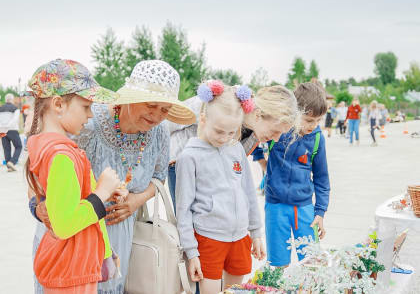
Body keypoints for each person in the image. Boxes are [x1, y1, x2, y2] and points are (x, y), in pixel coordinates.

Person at [30, 60, 196, 294]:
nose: (158, 116)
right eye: (151, 105)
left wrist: (135, 201)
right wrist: (37, 205)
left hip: (117, 242)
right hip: (71, 246)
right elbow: (41, 168)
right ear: (129, 99)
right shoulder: (86, 122)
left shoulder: (159, 134)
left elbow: (159, 178)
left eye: (165, 110)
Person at [25, 59, 125, 293]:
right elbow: (65, 225)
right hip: (71, 272)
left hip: (72, 267)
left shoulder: (55, 151)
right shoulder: (61, 156)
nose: (90, 115)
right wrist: (101, 193)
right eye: (85, 107)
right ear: (58, 104)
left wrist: (105, 252)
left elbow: (69, 205)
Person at [176, 82, 266, 294]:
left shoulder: (235, 150)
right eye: (219, 131)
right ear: (203, 119)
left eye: (231, 132)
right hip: (208, 240)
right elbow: (183, 209)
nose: (224, 138)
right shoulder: (189, 157)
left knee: (236, 291)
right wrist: (191, 251)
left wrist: (256, 232)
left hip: (240, 237)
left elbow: (249, 194)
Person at [167, 85, 298, 211]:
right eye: (275, 131)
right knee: (188, 222)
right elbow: (169, 120)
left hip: (209, 173)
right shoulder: (221, 102)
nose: (276, 139)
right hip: (182, 165)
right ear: (258, 115)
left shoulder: (255, 134)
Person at [264, 82, 331, 267]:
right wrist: (264, 166)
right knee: (277, 264)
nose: (314, 125)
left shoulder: (317, 139)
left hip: (304, 209)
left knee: (311, 264)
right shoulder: (278, 131)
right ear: (294, 112)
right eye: (309, 120)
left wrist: (320, 212)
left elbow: (322, 179)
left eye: (318, 120)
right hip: (275, 207)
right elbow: (255, 139)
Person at [0, 93, 22, 171]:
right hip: (12, 129)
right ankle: (12, 162)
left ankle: (9, 166)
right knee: (19, 146)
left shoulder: (0, 108)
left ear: (6, 100)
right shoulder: (15, 108)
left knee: (6, 148)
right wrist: (8, 126)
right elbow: (15, 119)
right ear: (12, 100)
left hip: (2, 130)